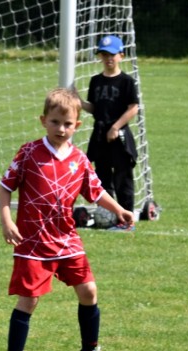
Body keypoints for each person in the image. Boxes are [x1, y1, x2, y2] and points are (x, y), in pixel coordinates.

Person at [0, 87, 133, 351]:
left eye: (67, 123)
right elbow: (6, 187)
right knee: (29, 300)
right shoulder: (29, 152)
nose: (61, 128)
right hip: (33, 242)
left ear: (77, 125)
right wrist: (6, 221)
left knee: (89, 292)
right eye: (55, 122)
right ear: (43, 120)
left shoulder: (79, 159)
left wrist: (119, 210)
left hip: (66, 240)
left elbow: (95, 192)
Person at [78, 34, 139, 228]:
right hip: (100, 134)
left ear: (121, 55)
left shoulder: (126, 81)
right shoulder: (96, 80)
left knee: (123, 176)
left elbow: (133, 108)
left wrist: (115, 127)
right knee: (102, 176)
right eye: (104, 54)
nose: (108, 58)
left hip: (119, 135)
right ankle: (108, 216)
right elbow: (95, 108)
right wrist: (79, 102)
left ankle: (126, 220)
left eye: (112, 54)